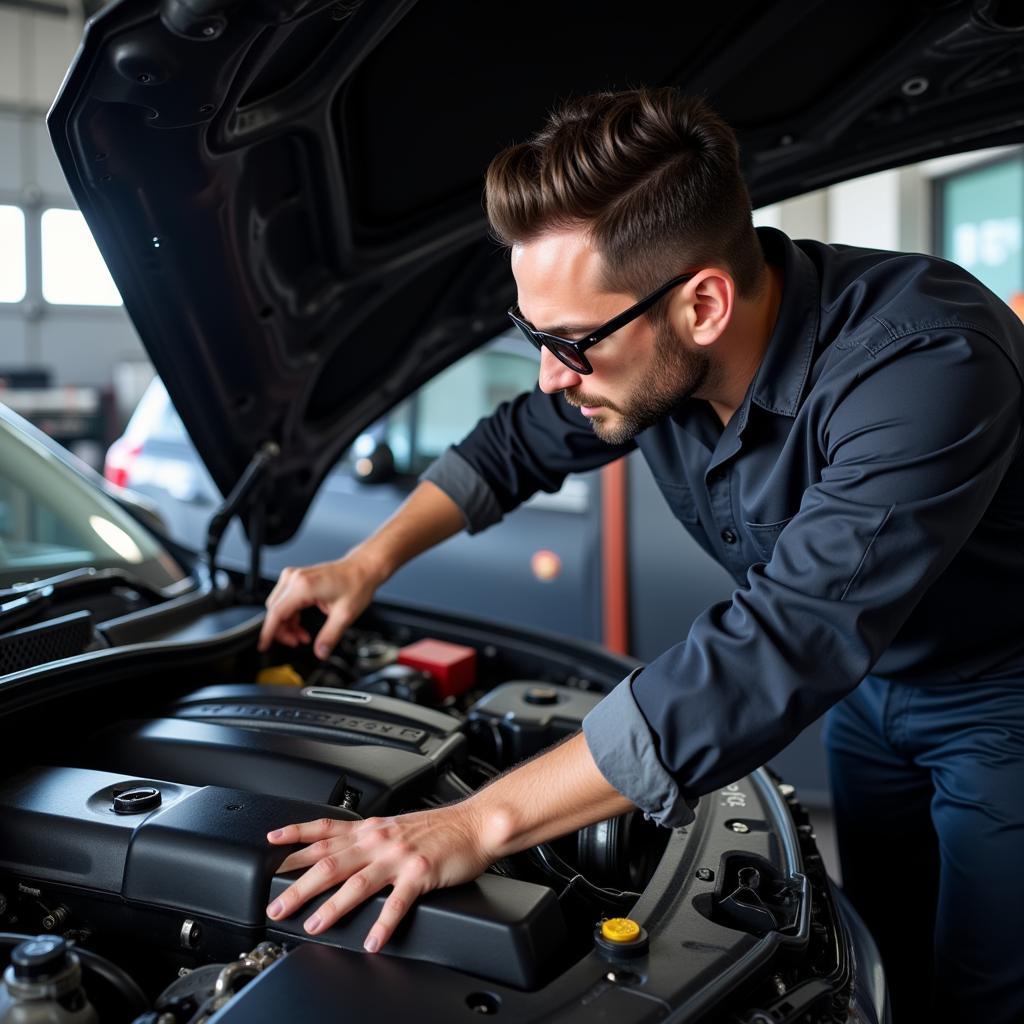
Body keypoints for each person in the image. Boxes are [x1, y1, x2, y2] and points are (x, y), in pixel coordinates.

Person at [257, 88, 1024, 1023]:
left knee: (989, 986)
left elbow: (779, 643)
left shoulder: (927, 359)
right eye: (533, 336)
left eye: (571, 343)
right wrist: (366, 563)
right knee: (882, 950)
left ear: (703, 303)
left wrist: (471, 824)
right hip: (868, 698)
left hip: (1001, 697)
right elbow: (510, 448)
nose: (551, 374)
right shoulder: (644, 360)